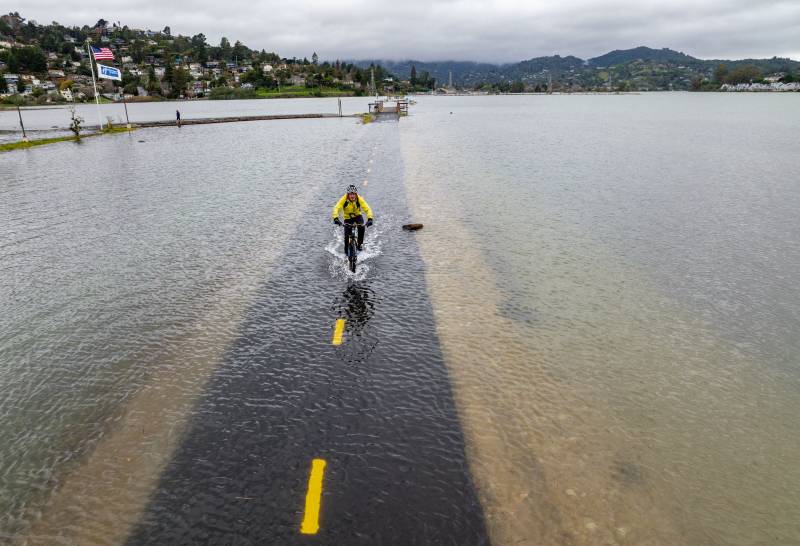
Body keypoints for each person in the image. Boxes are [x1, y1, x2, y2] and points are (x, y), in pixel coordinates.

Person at [332, 184, 374, 253]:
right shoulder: (344, 199)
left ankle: (359, 244)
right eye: (350, 194)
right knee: (346, 236)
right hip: (348, 218)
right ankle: (346, 251)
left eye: (354, 194)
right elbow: (336, 208)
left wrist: (370, 219)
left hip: (358, 216)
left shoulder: (359, 199)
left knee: (362, 227)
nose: (352, 196)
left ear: (356, 194)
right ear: (348, 194)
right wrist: (336, 218)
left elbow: (367, 208)